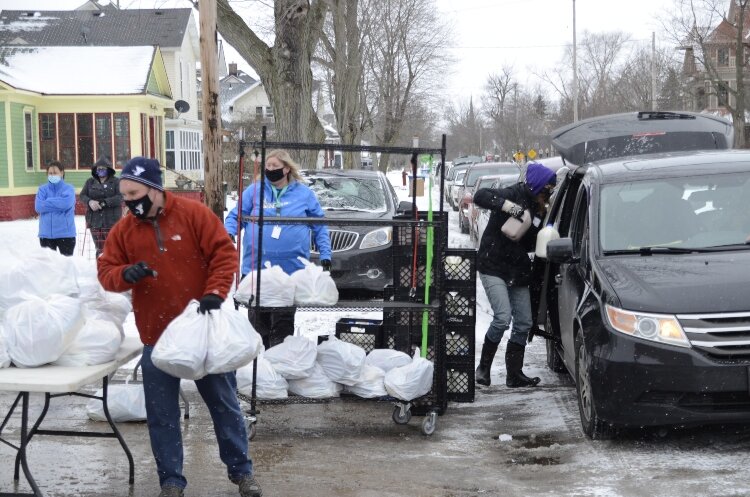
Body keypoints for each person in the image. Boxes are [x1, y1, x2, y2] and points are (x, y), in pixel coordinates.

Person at [97, 157, 262, 497]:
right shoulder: (124, 230)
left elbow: (223, 254)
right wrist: (124, 275)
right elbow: (106, 271)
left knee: (224, 405)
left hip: (203, 332)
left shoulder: (194, 215)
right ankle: (171, 481)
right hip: (156, 336)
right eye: (124, 195)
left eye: (134, 193)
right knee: (162, 415)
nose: (129, 201)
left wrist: (215, 292)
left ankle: (242, 472)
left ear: (155, 189)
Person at [225, 149, 332, 349]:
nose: (270, 170)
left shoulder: (303, 193)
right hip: (256, 271)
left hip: (289, 271)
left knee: (282, 325)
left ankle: (278, 365)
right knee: (258, 325)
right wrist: (229, 232)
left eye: (275, 167)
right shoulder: (255, 191)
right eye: (268, 167)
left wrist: (325, 253)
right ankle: (260, 369)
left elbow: (319, 225)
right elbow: (235, 215)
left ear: (286, 169)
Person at [472, 162, 557, 388]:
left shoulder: (540, 211)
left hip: (517, 270)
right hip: (493, 265)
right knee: (502, 317)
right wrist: (508, 207)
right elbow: (480, 195)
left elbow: (532, 242)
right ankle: (483, 369)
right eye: (547, 189)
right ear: (538, 185)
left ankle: (514, 374)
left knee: (524, 322)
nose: (547, 195)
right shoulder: (514, 193)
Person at [79, 156, 122, 257]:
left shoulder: (116, 182)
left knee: (112, 247)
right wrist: (89, 202)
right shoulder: (90, 182)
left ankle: (112, 267)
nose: (100, 170)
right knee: (99, 247)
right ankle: (100, 267)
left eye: (103, 168)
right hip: (94, 220)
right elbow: (82, 195)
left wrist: (105, 202)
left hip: (111, 220)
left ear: (108, 170)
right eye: (98, 169)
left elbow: (121, 197)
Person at [35, 160, 76, 256]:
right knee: (49, 268)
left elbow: (66, 203)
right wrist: (58, 203)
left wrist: (47, 201)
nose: (52, 175)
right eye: (50, 173)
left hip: (66, 234)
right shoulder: (42, 189)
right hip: (46, 235)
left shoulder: (69, 188)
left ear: (62, 173)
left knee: (66, 267)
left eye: (55, 173)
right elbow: (38, 206)